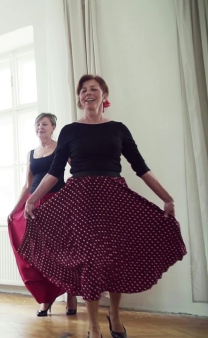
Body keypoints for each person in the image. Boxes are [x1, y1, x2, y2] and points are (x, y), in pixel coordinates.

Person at [20, 75, 187, 338]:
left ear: (104, 95)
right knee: (90, 261)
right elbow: (54, 171)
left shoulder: (118, 129)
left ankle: (116, 315)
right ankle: (93, 325)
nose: (88, 93)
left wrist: (167, 198)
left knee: (114, 259)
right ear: (79, 98)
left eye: (93, 89)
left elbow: (140, 167)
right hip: (81, 201)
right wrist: (31, 198)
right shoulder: (69, 131)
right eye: (83, 90)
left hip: (114, 199)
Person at [7, 112, 77, 317]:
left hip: (57, 203)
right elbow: (28, 185)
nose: (40, 127)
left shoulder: (61, 148)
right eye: (37, 124)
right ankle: (45, 299)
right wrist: (15, 208)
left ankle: (71, 295)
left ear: (53, 127)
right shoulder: (31, 153)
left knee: (62, 251)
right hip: (34, 206)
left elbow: (77, 171)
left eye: (45, 124)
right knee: (38, 254)